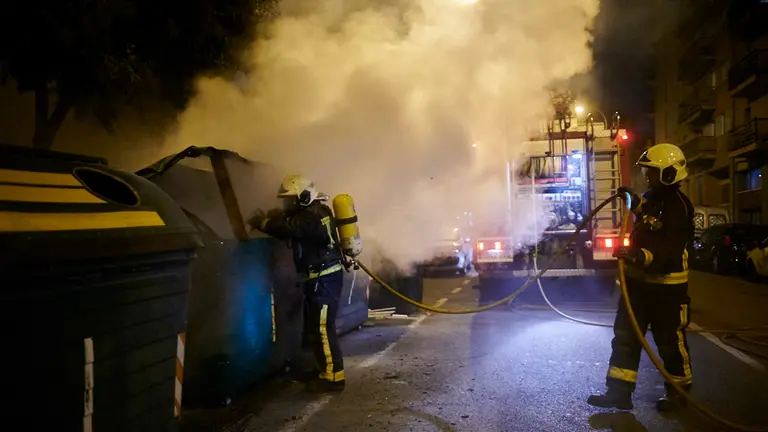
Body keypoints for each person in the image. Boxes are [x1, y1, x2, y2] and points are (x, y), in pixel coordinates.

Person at [588, 143, 695, 412]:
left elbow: (669, 251)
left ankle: (679, 394)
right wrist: (633, 201)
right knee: (625, 337)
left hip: (667, 290)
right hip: (638, 286)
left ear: (669, 173)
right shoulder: (653, 198)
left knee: (669, 342)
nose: (647, 176)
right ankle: (619, 393)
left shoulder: (680, 208)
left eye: (652, 171)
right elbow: (646, 215)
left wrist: (638, 256)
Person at [250, 175, 346, 393]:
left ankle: (333, 377)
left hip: (324, 279)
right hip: (321, 278)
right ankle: (323, 369)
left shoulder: (309, 217)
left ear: (304, 197)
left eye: (291, 200)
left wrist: (263, 223)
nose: (287, 204)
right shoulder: (315, 211)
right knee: (315, 327)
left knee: (322, 327)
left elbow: (290, 229)